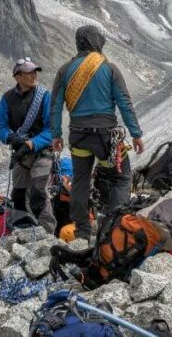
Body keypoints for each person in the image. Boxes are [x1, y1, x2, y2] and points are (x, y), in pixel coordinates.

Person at [49, 25, 144, 241]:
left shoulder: (65, 70)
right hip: (106, 137)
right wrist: (136, 133)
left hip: (78, 136)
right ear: (97, 42)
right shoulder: (109, 69)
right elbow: (124, 103)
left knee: (80, 180)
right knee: (120, 178)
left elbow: (55, 106)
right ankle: (113, 228)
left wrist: (56, 135)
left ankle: (82, 231)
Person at [0, 57, 56, 233]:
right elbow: (0, 125)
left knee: (38, 192)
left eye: (34, 72)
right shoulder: (7, 99)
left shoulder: (44, 97)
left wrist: (30, 143)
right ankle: (23, 230)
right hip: (21, 155)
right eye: (29, 73)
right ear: (18, 77)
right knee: (19, 196)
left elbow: (51, 129)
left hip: (42, 152)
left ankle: (47, 232)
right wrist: (10, 137)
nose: (34, 75)